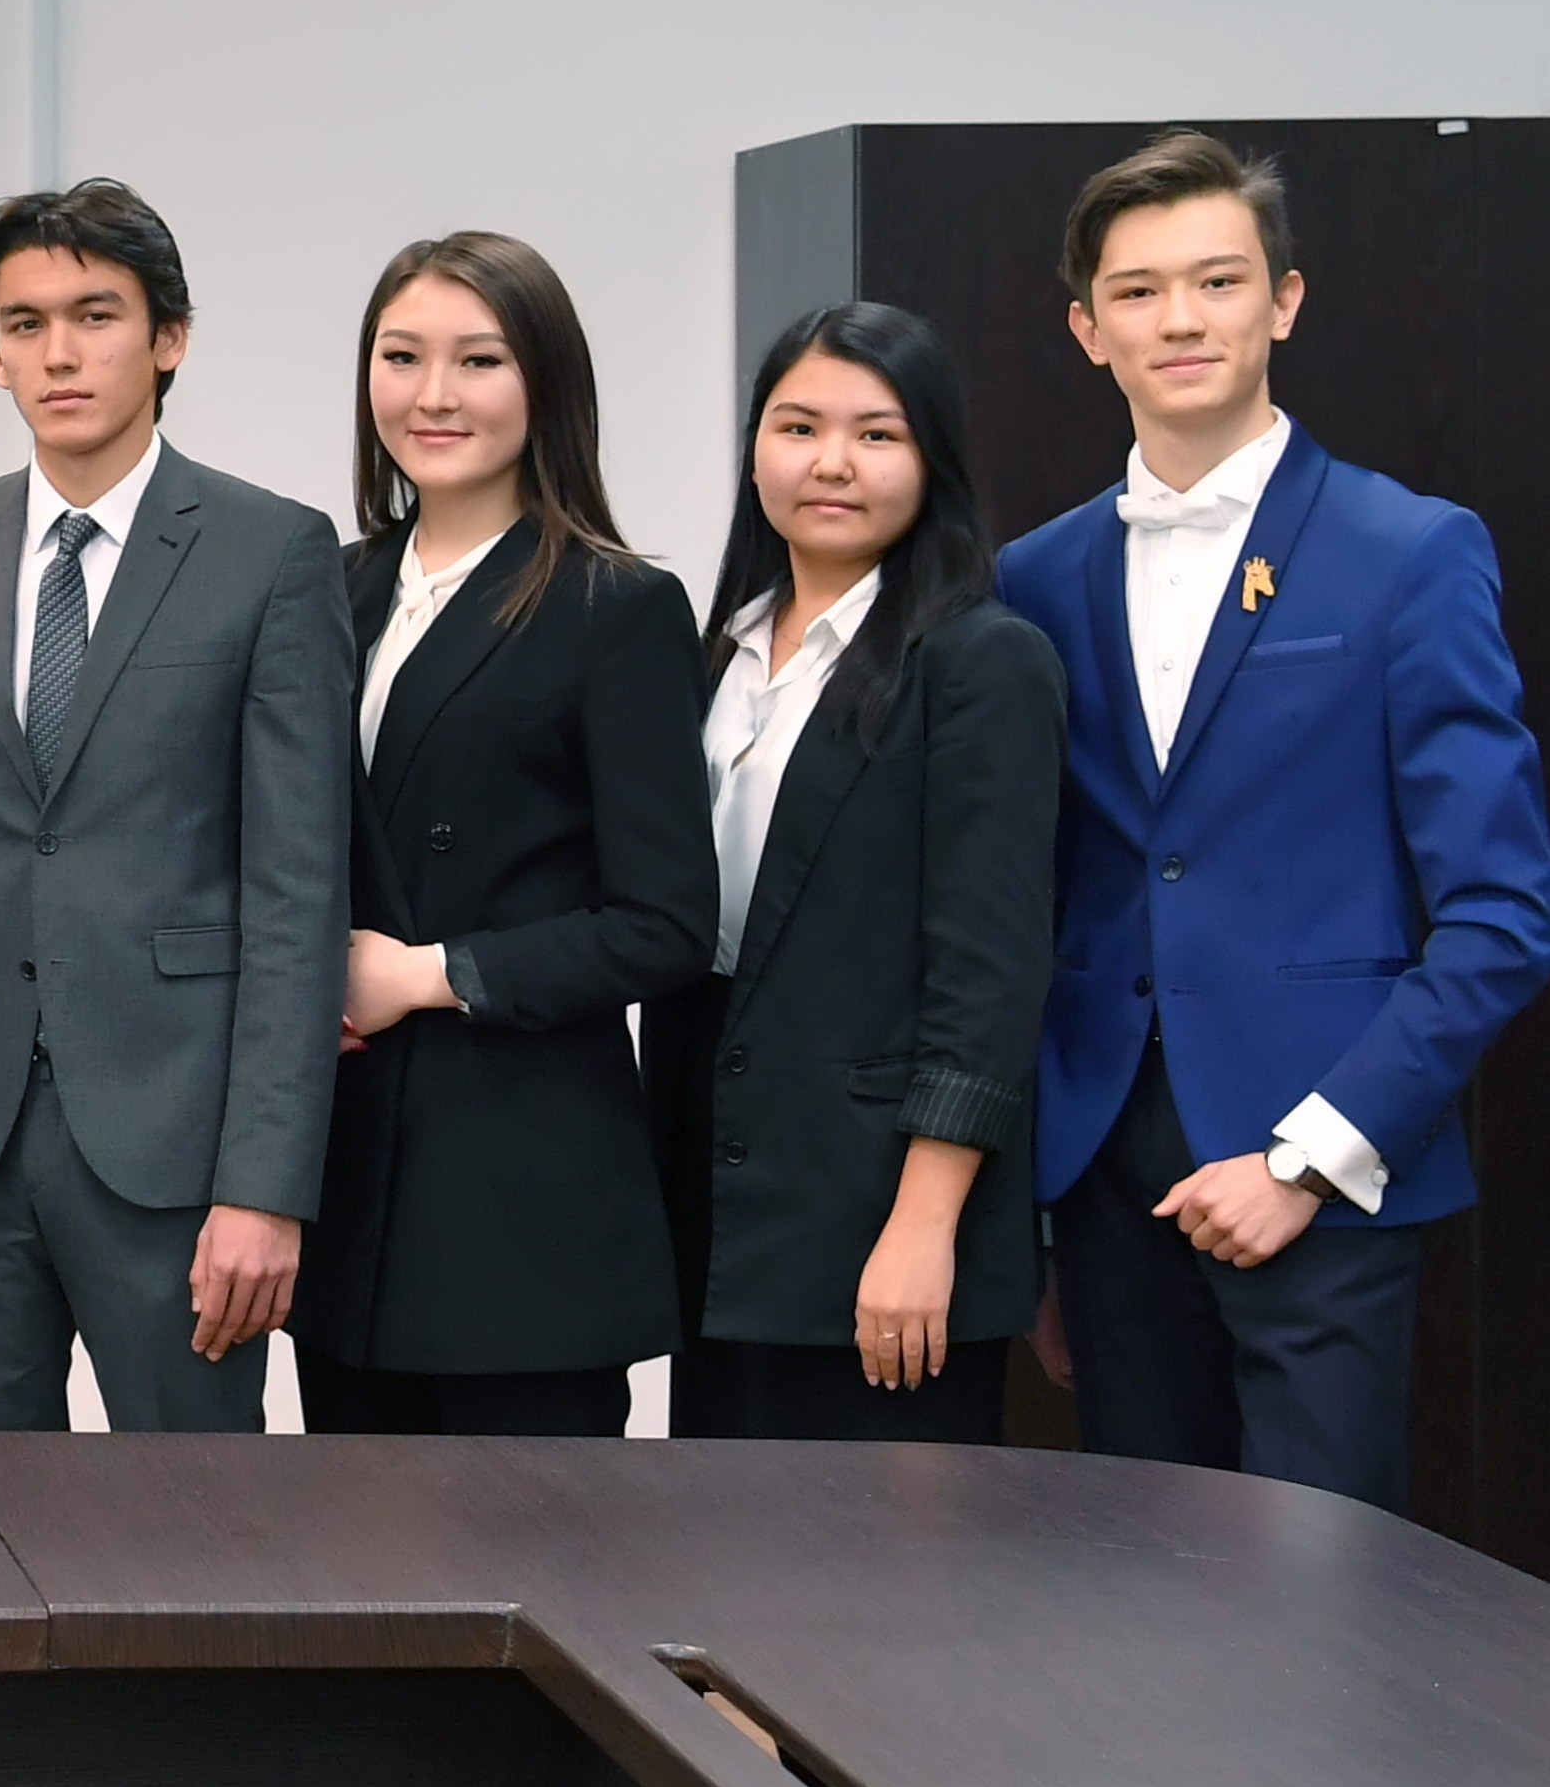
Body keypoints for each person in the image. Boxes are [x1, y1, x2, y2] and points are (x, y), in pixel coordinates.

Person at [996, 132, 1550, 1511]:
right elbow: (1033, 895)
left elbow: (1497, 915)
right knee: (1138, 1581)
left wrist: (1308, 1157)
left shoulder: (1408, 550)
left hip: (1322, 1169)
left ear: (1282, 301)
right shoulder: (1031, 577)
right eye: (1135, 291)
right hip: (1104, 1183)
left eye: (1216, 280)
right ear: (1086, 330)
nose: (1178, 319)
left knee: (1321, 1590)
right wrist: (1037, 1214)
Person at [0, 180, 350, 1434]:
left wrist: (265, 1185)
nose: (58, 352)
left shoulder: (271, 548)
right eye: (25, 323)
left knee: (194, 1517)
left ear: (169, 337)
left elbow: (296, 894)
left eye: (94, 315)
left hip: (175, 1146)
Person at [299, 233, 714, 1437]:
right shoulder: (325, 586)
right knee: (348, 1548)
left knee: (529, 1543)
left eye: (477, 359)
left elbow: (665, 923)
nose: (432, 394)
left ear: (546, 382)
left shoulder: (615, 604)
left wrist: (426, 974)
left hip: (519, 1197)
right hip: (349, 1184)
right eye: (401, 356)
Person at [650, 305, 1061, 1443]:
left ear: (933, 461)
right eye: (797, 427)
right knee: (715, 1541)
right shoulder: (716, 653)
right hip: (724, 1203)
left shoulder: (982, 661)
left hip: (881, 1213)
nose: (829, 462)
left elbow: (989, 973)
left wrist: (923, 1224)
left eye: (876, 434)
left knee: (885, 1552)